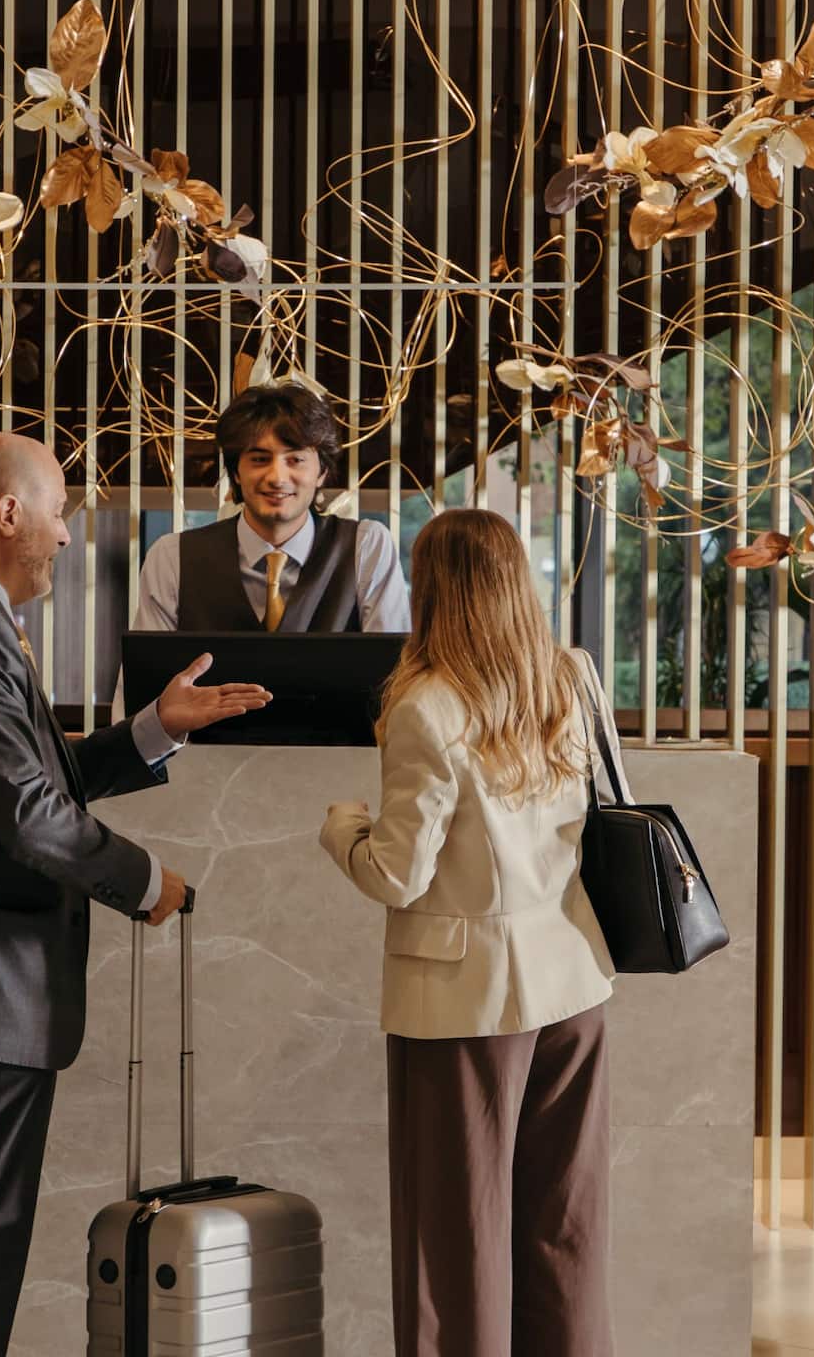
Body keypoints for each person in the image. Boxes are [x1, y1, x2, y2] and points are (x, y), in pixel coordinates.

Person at [0, 432, 270, 1356]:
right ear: (9, 514)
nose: (68, 537)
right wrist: (144, 880)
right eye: (60, 512)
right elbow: (26, 815)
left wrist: (150, 729)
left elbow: (23, 778)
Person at [318, 508, 628, 1357]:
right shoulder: (570, 675)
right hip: (573, 978)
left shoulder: (426, 704)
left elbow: (396, 872)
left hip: (463, 1002)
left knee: (454, 1246)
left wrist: (341, 824)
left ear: (431, 591)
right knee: (563, 1229)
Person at [128, 381, 410, 636]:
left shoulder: (366, 548)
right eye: (260, 459)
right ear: (236, 472)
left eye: (296, 460)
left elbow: (392, 680)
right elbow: (143, 690)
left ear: (322, 471)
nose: (277, 477)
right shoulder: (171, 558)